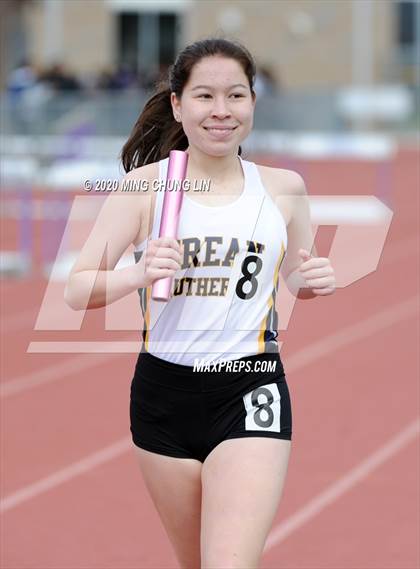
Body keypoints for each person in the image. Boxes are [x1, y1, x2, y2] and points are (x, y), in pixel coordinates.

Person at [65, 37, 336, 569]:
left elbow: (295, 275)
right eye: (204, 96)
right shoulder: (144, 189)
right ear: (177, 105)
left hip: (250, 385)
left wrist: (312, 277)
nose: (221, 111)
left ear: (253, 102)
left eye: (236, 96)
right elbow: (77, 289)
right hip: (163, 395)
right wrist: (137, 275)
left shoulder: (283, 189)